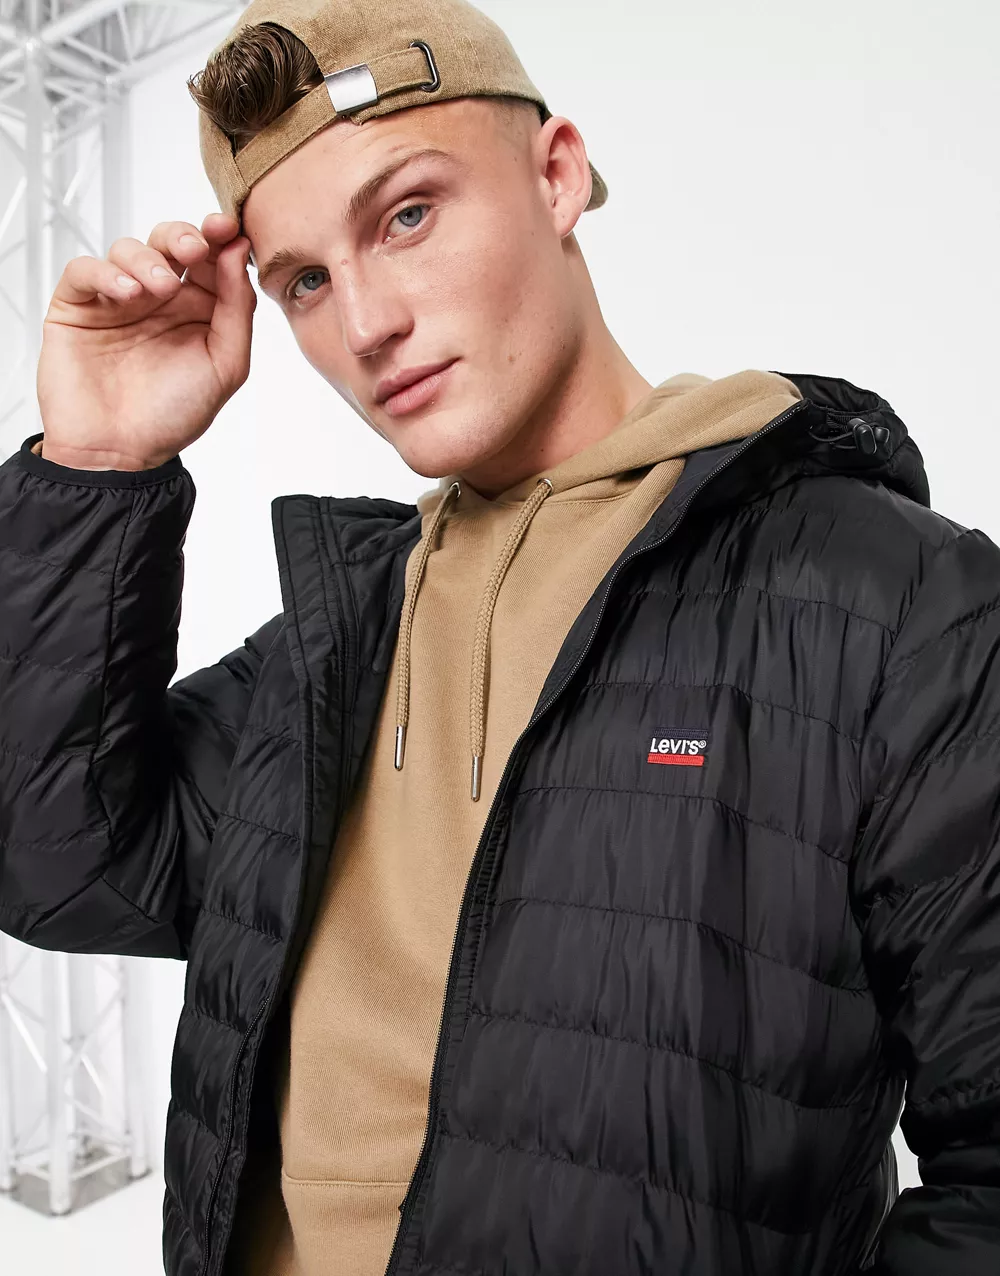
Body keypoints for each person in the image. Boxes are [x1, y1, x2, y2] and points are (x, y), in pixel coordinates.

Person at [1, 0, 999, 1272]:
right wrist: (96, 465)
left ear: (557, 173)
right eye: (304, 281)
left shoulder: (896, 602)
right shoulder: (342, 633)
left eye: (407, 215)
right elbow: (62, 864)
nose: (365, 324)